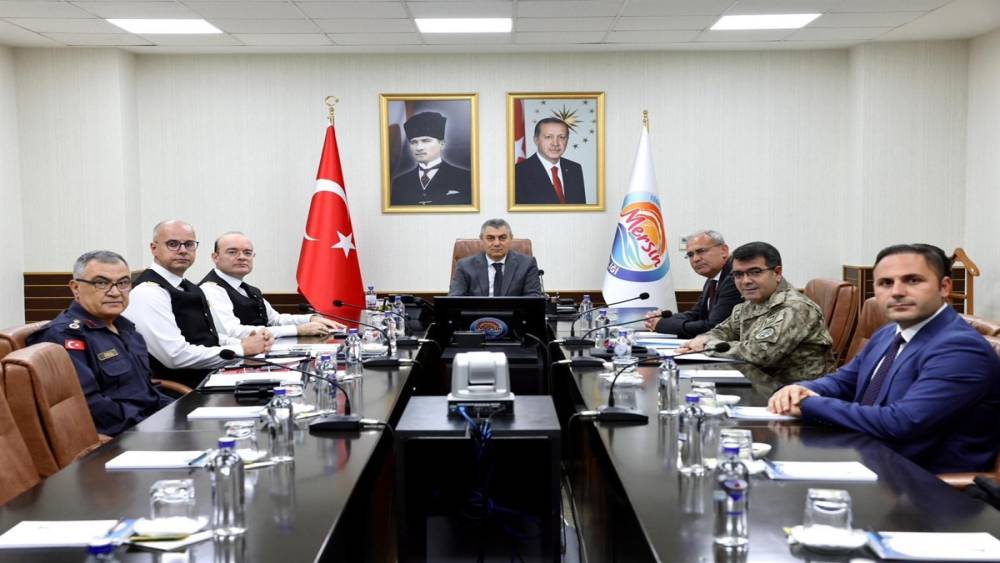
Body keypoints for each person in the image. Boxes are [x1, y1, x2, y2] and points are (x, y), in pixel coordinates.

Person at [768, 244, 1000, 473]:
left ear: (944, 287)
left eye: (913, 280)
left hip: (921, 482)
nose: (897, 291)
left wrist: (809, 404)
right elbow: (843, 381)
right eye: (886, 283)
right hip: (867, 458)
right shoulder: (889, 333)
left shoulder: (962, 349)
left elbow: (902, 422)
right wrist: (800, 389)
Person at [28, 251, 172, 436]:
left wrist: (177, 410)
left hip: (150, 424)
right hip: (120, 437)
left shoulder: (126, 329)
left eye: (123, 283)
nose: (115, 292)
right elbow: (91, 407)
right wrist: (151, 424)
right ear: (75, 288)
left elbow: (146, 391)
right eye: (101, 283)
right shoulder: (64, 337)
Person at [124, 220, 272, 388]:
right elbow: (176, 356)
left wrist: (248, 343)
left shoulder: (189, 287)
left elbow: (207, 337)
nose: (182, 250)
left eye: (189, 244)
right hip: (181, 390)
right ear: (154, 248)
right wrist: (242, 350)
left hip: (211, 377)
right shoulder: (148, 292)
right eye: (172, 244)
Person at [677, 241, 833, 393]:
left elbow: (760, 353)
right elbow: (723, 331)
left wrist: (706, 345)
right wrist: (703, 339)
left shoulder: (794, 307)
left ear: (777, 273)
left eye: (755, 272)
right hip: (761, 387)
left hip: (798, 396)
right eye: (738, 274)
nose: (746, 281)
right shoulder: (749, 303)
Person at [200, 232, 342, 339]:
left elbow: (275, 320)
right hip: (236, 360)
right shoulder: (211, 289)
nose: (242, 257)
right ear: (215, 257)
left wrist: (310, 319)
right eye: (232, 252)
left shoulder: (250, 290)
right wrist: (297, 330)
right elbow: (232, 332)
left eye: (247, 253)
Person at [643, 229, 742, 338]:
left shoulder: (734, 278)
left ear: (723, 250)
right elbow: (695, 314)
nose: (695, 259)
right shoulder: (713, 279)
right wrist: (663, 319)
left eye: (701, 251)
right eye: (690, 255)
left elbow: (713, 327)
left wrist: (662, 324)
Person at [390, 111, 471, 206]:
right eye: (414, 142)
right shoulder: (399, 182)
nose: (419, 148)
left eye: (426, 141)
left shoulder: (465, 178)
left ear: (442, 144)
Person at [449, 218, 543, 297]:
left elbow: (533, 298)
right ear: (482, 239)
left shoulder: (527, 264)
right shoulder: (465, 266)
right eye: (490, 238)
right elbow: (455, 298)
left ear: (511, 238)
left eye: (502, 238)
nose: (497, 243)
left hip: (514, 313)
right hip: (477, 313)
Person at [514, 118, 586, 205]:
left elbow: (581, 209)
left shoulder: (574, 169)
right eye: (548, 137)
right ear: (536, 140)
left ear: (567, 140)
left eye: (561, 137)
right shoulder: (518, 172)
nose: (555, 143)